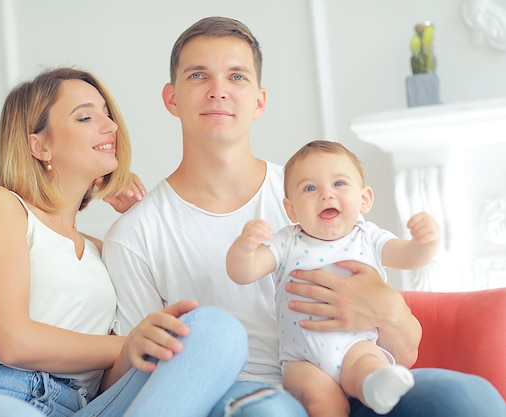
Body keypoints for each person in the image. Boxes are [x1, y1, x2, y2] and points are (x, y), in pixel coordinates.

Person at [102, 16, 505, 417]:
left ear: (259, 100)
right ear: (171, 98)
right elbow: (133, 381)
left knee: (468, 398)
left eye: (237, 77)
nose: (218, 91)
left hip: (355, 382)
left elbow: (405, 348)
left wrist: (388, 311)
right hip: (243, 398)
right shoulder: (136, 235)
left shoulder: (319, 195)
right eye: (198, 76)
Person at [0, 67, 248, 417]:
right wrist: (126, 344)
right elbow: (13, 342)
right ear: (40, 145)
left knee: (216, 331)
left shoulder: (102, 251)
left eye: (108, 114)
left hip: (81, 406)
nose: (111, 126)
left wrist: (140, 219)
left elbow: (111, 375)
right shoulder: (0, 206)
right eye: (86, 117)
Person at [227, 140, 442, 416]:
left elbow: (409, 257)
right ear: (291, 209)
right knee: (323, 402)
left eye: (339, 184)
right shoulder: (286, 241)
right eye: (310, 188)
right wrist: (244, 248)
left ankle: (376, 386)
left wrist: (426, 242)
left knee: (368, 367)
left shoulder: (369, 237)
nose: (326, 195)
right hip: (302, 360)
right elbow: (243, 273)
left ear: (364, 199)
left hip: (357, 345)